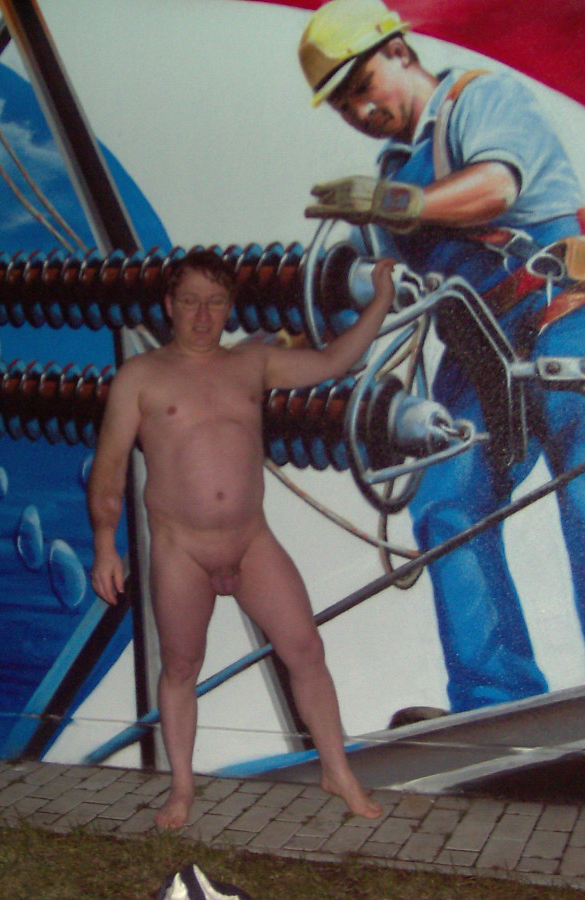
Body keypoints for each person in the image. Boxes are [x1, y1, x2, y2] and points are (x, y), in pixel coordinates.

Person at [298, 0, 585, 716]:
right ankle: (492, 695)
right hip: (482, 348)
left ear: (400, 52)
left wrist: (392, 201)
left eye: (363, 85)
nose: (359, 110)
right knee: (447, 493)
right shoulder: (395, 171)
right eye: (343, 102)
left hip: (573, 307)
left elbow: (495, 188)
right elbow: (364, 297)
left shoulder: (481, 101)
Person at [88, 248, 393, 828]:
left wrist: (380, 300)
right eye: (190, 302)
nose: (202, 315)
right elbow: (109, 464)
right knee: (181, 668)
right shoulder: (140, 377)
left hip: (252, 542)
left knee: (306, 650)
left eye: (215, 302)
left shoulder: (253, 362)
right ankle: (181, 787)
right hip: (181, 550)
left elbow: (335, 360)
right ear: (169, 306)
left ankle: (338, 771)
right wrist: (106, 544)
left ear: (230, 307)